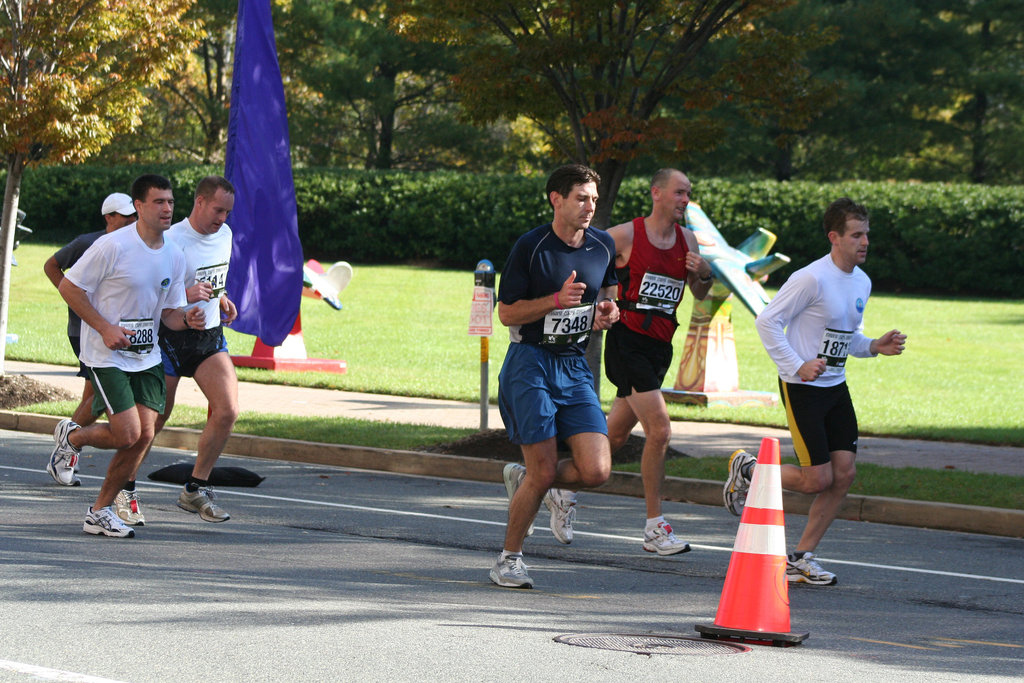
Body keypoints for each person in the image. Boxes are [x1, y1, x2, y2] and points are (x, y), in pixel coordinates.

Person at [724, 197, 906, 585]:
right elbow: (768, 322)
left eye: (867, 235)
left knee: (844, 475)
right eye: (856, 235)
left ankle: (801, 558)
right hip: (802, 387)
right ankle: (749, 469)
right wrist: (797, 366)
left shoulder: (862, 281)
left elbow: (847, 336)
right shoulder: (811, 278)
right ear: (834, 237)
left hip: (835, 387)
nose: (865, 242)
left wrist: (874, 345)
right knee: (815, 480)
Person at [46, 174, 205, 538]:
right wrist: (104, 327)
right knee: (127, 433)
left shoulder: (174, 255)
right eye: (159, 202)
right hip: (106, 355)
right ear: (139, 206)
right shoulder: (111, 246)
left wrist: (187, 318)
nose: (167, 208)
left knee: (144, 435)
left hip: (146, 357)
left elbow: (169, 313)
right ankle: (74, 439)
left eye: (170, 202)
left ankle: (99, 511)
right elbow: (70, 288)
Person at [489, 164, 620, 589]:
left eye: (594, 200)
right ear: (556, 199)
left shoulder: (602, 245)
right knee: (544, 471)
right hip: (530, 362)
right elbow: (506, 312)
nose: (590, 207)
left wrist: (606, 313)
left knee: (597, 470)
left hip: (573, 365)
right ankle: (508, 560)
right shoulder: (532, 246)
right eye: (582, 198)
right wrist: (554, 300)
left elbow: (607, 296)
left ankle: (524, 479)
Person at [113, 176, 239, 527]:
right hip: (169, 337)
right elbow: (156, 287)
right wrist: (187, 297)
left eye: (228, 212)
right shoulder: (172, 239)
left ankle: (196, 488)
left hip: (207, 336)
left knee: (227, 410)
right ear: (199, 202)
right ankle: (126, 489)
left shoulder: (225, 236)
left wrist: (221, 299)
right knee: (154, 422)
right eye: (217, 210)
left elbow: (212, 281)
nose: (222, 218)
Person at [603, 169, 713, 555]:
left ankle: (551, 485)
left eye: (688, 193)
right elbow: (585, 253)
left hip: (659, 346)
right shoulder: (626, 234)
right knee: (660, 430)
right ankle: (654, 528)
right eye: (680, 192)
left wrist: (704, 274)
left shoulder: (688, 239)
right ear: (657, 193)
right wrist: (603, 298)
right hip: (627, 341)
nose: (685, 199)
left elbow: (700, 293)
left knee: (613, 437)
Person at [43, 193, 137, 440]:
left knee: (96, 394)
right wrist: (75, 298)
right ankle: (67, 446)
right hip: (84, 331)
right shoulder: (88, 242)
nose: (132, 220)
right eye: (126, 216)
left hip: (116, 333)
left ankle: (69, 443)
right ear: (109, 217)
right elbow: (50, 266)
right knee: (96, 395)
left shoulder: (134, 244)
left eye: (134, 215)